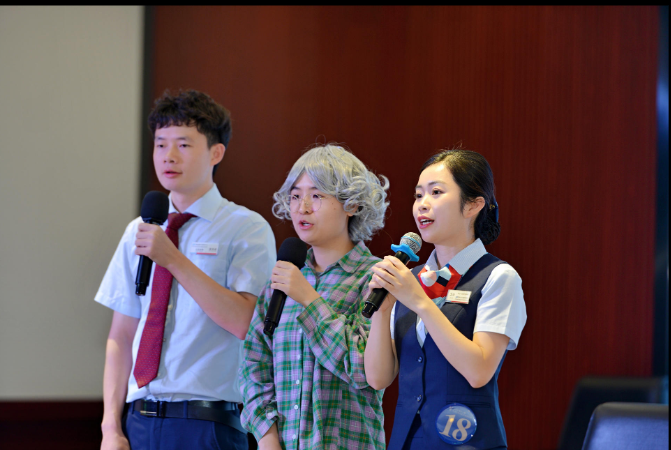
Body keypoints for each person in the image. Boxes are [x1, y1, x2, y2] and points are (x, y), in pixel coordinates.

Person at [95, 89, 276, 450]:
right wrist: (111, 428)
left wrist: (173, 259)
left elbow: (246, 322)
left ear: (216, 153)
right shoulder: (140, 230)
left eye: (183, 144)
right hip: (139, 420)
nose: (169, 156)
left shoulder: (245, 227)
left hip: (207, 423)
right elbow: (122, 335)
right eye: (160, 144)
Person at [364, 148, 526, 450]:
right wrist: (382, 312)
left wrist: (421, 303)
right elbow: (378, 378)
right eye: (418, 195)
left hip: (468, 443)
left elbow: (479, 371)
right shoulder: (411, 280)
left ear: (473, 204)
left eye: (436, 192)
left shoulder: (498, 277)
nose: (422, 205)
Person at [239, 144, 389, 450]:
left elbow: (363, 369)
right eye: (295, 196)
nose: (302, 208)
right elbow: (254, 365)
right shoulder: (283, 278)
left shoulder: (375, 277)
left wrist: (310, 299)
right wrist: (268, 439)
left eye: (317, 195)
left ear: (352, 204)